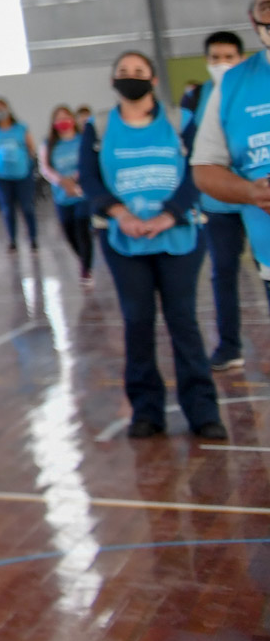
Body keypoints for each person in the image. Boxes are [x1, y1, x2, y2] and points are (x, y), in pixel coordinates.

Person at [81, 51, 226, 440]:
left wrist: (170, 214)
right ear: (113, 80)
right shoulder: (96, 127)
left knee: (183, 322)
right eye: (123, 71)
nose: (131, 77)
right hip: (123, 240)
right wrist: (120, 214)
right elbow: (90, 181)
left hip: (178, 235)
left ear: (153, 79)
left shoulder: (181, 122)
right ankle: (146, 412)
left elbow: (201, 169)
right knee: (137, 322)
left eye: (138, 71)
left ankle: (203, 412)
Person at [191, 0, 270, 373]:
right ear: (253, 17)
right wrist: (253, 192)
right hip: (267, 247)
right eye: (266, 6)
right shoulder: (232, 85)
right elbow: (204, 167)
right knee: (223, 273)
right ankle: (229, 343)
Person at [181, 31, 248, 372]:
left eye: (229, 57)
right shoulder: (196, 97)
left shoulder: (251, 88)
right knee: (223, 274)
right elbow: (190, 151)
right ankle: (229, 346)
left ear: (241, 58)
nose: (222, 63)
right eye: (215, 57)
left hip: (257, 197)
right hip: (218, 204)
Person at [40, 106, 93, 286]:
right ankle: (83, 258)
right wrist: (62, 181)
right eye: (59, 118)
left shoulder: (82, 139)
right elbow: (45, 168)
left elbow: (88, 161)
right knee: (70, 232)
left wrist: (75, 179)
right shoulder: (49, 144)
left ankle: (86, 269)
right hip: (62, 194)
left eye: (66, 117)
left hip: (82, 194)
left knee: (82, 229)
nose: (63, 121)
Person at [0, 97, 39, 253]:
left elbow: (31, 147)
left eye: (2, 107)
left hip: (22, 174)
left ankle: (33, 239)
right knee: (7, 209)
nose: (0, 111)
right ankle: (12, 240)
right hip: (0, 176)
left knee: (27, 207)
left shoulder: (21, 127)